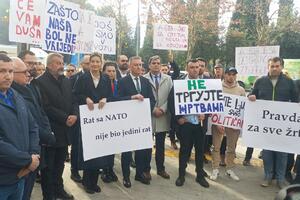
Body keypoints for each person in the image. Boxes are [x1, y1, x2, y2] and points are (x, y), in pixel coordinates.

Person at [248, 57, 298, 189]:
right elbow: (253, 95)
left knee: (282, 153)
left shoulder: (289, 82)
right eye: (272, 66)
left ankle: (280, 179)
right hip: (265, 125)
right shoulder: (260, 81)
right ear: (268, 67)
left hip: (282, 126)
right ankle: (268, 176)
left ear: (281, 67)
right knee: (267, 151)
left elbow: (295, 101)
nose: (274, 68)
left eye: (277, 66)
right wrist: (251, 97)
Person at [11, 57, 56, 200]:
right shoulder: (13, 95)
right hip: (19, 160)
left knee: (27, 192)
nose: (29, 72)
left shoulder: (29, 88)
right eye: (25, 69)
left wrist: (48, 133)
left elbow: (40, 115)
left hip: (34, 153)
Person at [37, 53, 78, 200]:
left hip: (65, 131)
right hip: (50, 131)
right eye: (57, 63)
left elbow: (73, 99)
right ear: (48, 65)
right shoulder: (39, 82)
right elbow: (45, 107)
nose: (61, 65)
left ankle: (59, 189)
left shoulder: (66, 81)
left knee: (60, 165)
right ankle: (49, 195)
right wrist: (64, 118)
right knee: (48, 168)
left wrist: (74, 114)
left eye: (62, 62)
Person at [0, 54, 40, 200]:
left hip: (21, 176)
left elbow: (33, 127)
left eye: (10, 71)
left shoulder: (16, 96)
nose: (7, 76)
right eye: (2, 71)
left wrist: (34, 156)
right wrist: (27, 161)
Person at [73, 53, 114, 194]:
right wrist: (86, 99)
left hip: (101, 119)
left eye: (98, 61)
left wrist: (105, 99)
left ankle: (94, 181)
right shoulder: (82, 78)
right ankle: (86, 181)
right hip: (87, 119)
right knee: (88, 150)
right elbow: (75, 94)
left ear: (101, 63)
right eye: (93, 62)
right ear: (89, 64)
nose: (95, 64)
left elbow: (110, 95)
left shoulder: (106, 78)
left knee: (99, 151)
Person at [169, 59, 209, 188]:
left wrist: (205, 114)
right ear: (187, 69)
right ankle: (181, 175)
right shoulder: (179, 84)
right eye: (192, 67)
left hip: (199, 124)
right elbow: (171, 102)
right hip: (185, 124)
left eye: (197, 67)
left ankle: (200, 176)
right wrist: (178, 118)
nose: (195, 69)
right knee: (184, 150)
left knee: (199, 151)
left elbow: (211, 103)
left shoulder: (205, 84)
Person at [118, 56, 155, 188]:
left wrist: (146, 110)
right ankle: (126, 176)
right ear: (130, 66)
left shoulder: (145, 81)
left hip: (142, 122)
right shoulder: (123, 82)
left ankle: (139, 174)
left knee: (141, 151)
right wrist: (132, 97)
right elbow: (117, 100)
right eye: (135, 65)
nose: (139, 67)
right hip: (128, 122)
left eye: (140, 65)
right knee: (127, 152)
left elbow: (152, 100)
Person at [209, 67, 246, 182]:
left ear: (236, 76)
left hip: (233, 124)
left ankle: (230, 168)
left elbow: (242, 109)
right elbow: (212, 104)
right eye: (229, 74)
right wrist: (217, 122)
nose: (231, 76)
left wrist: (238, 123)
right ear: (225, 75)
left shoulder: (241, 90)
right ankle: (215, 169)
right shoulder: (217, 87)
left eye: (233, 74)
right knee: (216, 147)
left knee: (231, 148)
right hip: (218, 123)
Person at [144, 55, 173, 179]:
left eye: (158, 63)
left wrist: (163, 109)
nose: (156, 65)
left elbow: (171, 97)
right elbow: (143, 96)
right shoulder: (143, 78)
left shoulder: (168, 79)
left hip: (163, 115)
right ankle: (146, 169)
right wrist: (152, 108)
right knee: (146, 146)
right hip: (148, 116)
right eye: (154, 63)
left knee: (160, 146)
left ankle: (161, 169)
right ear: (149, 65)